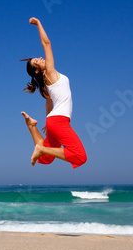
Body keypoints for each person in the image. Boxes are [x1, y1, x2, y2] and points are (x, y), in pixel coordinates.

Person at [21, 17, 87, 168]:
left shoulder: (46, 82)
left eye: (36, 58)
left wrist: (47, 121)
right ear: (37, 69)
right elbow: (47, 44)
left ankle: (32, 126)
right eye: (36, 61)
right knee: (80, 156)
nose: (39, 58)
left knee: (45, 159)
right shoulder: (49, 72)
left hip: (53, 120)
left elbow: (48, 101)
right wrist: (38, 23)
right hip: (58, 121)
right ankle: (41, 148)